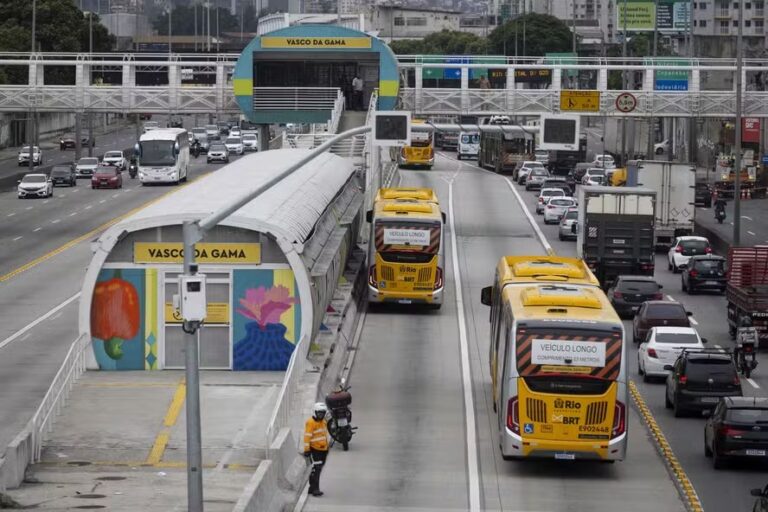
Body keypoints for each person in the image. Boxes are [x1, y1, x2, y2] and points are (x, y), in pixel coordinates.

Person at [303, 402, 330, 497]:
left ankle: (311, 488)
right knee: (317, 469)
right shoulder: (310, 422)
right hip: (315, 450)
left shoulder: (323, 422)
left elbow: (324, 435)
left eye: (323, 413)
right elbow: (307, 437)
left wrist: (327, 447)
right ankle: (315, 489)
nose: (321, 415)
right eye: (319, 413)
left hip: (324, 450)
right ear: (315, 412)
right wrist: (306, 450)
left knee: (317, 469)